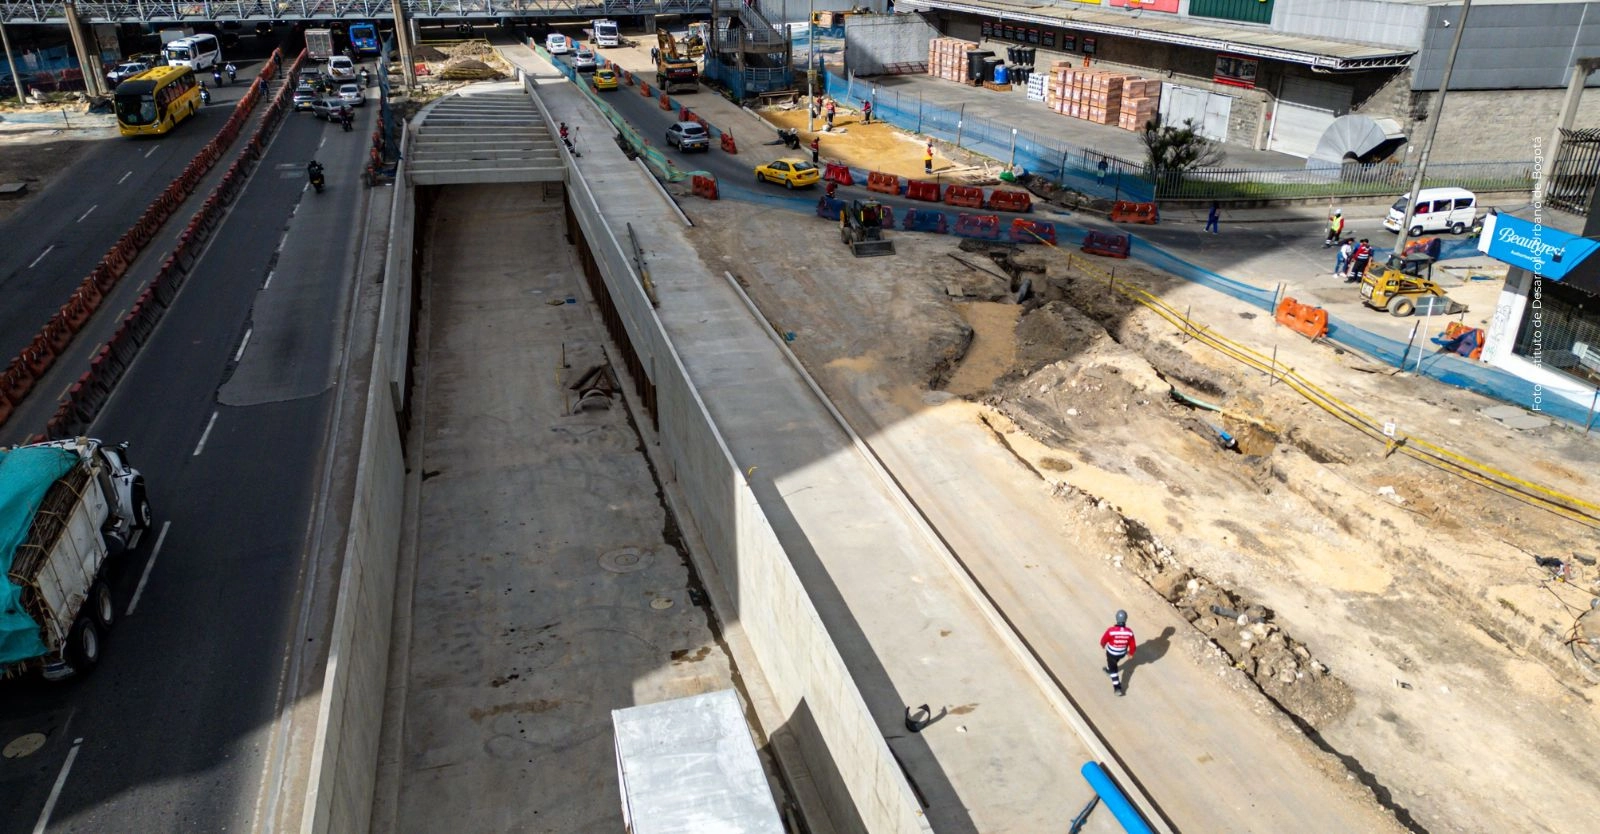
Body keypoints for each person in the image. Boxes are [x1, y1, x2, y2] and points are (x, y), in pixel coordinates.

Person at [1100, 610, 1137, 697]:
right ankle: (1109, 669)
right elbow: (1133, 645)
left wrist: (1103, 645)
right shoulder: (1129, 632)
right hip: (1122, 653)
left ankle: (1117, 687)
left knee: (1114, 670)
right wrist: (1131, 653)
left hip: (1111, 653)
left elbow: (1103, 640)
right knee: (1113, 662)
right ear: (1126, 619)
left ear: (1116, 619)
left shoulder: (1111, 631)